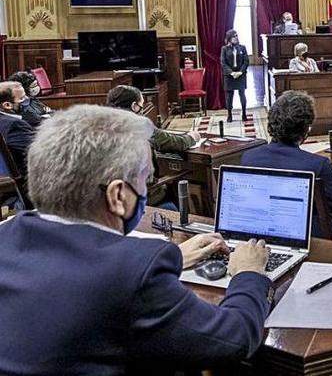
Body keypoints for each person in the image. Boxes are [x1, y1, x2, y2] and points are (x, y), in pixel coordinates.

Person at [0, 105, 272, 374]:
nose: (147, 187)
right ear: (118, 196)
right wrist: (248, 273)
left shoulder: (6, 234)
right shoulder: (134, 270)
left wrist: (176, 255)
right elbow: (233, 340)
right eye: (145, 179)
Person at [240, 91, 332, 239]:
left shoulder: (249, 157)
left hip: (264, 231)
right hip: (314, 237)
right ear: (306, 129)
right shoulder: (318, 164)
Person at [106, 85, 202, 208]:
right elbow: (178, 143)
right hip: (144, 201)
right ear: (134, 106)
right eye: (141, 106)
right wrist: (192, 137)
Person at [0, 81, 36, 177]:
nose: (27, 100)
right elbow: (40, 151)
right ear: (7, 105)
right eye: (22, 98)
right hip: (26, 182)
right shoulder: (14, 125)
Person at [221, 29, 250, 123]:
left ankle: (244, 113)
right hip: (229, 76)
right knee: (229, 95)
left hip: (240, 74)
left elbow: (246, 61)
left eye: (237, 36)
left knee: (242, 94)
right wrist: (231, 73)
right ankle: (229, 114)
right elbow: (223, 63)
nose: (236, 38)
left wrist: (240, 72)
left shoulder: (242, 47)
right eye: (234, 36)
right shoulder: (224, 49)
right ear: (229, 38)